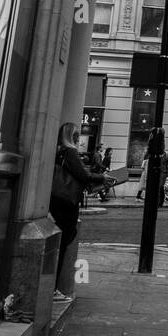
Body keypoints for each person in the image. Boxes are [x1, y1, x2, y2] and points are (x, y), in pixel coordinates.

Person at [49, 122, 114, 298]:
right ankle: (53, 289)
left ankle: (51, 287)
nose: (79, 139)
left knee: (60, 243)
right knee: (63, 242)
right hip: (66, 202)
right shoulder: (69, 152)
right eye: (76, 135)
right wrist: (102, 177)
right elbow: (82, 175)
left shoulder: (58, 151)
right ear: (71, 136)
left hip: (57, 201)